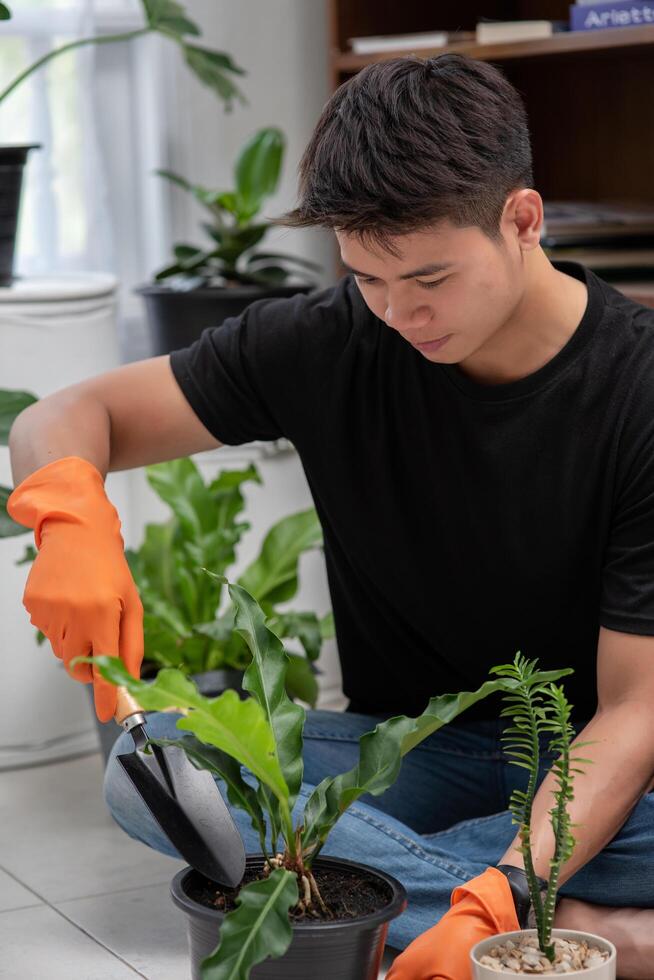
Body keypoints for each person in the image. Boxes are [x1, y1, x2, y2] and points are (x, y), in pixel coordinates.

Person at [8, 53, 654, 978]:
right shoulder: (329, 341)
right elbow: (64, 416)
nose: (399, 314)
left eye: (428, 278)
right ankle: (584, 927)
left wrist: (499, 888)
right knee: (154, 772)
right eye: (368, 278)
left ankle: (434, 895)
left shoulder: (639, 391)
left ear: (522, 219)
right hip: (417, 747)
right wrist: (68, 517)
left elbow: (635, 713)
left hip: (608, 757)